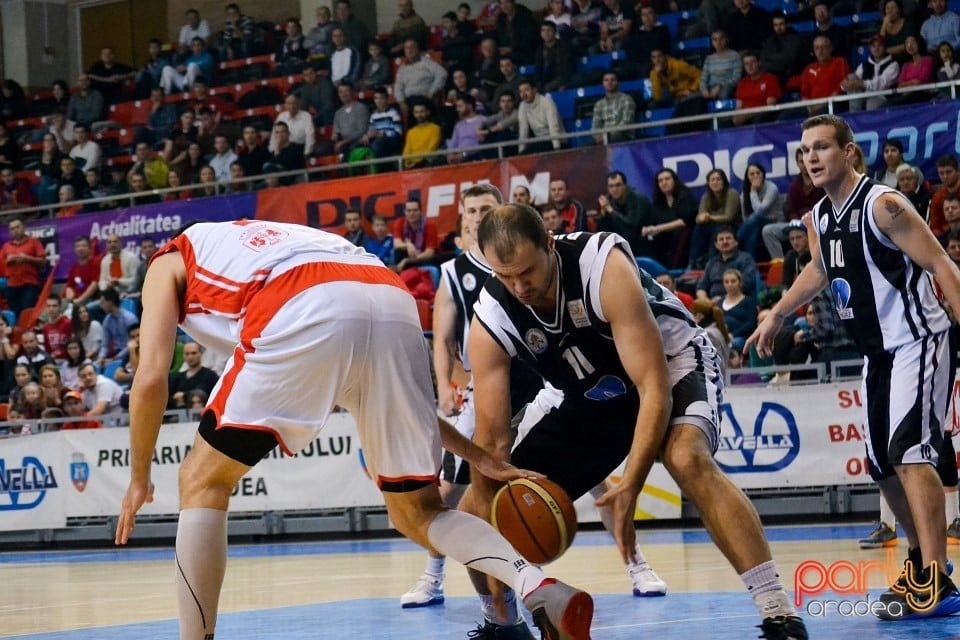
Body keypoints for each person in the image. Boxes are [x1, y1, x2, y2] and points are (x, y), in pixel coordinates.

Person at [114, 219, 595, 640]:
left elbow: (151, 375)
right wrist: (477, 454)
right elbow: (358, 336)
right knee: (419, 512)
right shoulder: (270, 240)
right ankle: (536, 586)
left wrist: (139, 477)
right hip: (387, 295)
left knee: (201, 482)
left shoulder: (168, 258)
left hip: (299, 299)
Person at [463, 204, 807, 640]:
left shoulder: (601, 266)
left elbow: (654, 388)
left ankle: (778, 610)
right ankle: (503, 624)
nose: (519, 286)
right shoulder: (492, 314)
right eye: (505, 276)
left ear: (550, 244)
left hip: (673, 363)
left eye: (527, 271)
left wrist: (631, 485)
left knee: (686, 458)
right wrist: (496, 524)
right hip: (592, 396)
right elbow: (492, 442)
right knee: (476, 508)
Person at [746, 114, 960, 620]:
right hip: (877, 354)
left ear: (849, 153)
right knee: (881, 467)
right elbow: (819, 271)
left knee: (910, 454)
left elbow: (943, 266)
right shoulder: (819, 218)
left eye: (821, 147)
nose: (811, 158)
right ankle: (918, 565)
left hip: (919, 340)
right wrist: (777, 311)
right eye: (804, 151)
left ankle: (940, 578)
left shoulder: (884, 206)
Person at [1, 217, 47, 319]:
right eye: (12, 229)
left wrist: (26, 258)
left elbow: (43, 263)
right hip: (11, 285)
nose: (15, 230)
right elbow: (1, 266)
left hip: (29, 284)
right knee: (14, 315)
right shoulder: (6, 246)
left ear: (23, 228)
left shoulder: (34, 242)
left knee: (27, 314)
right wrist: (7, 261)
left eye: (17, 227)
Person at [737, 163, 784, 258]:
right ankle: (749, 261)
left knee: (756, 217)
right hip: (757, 223)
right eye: (752, 174)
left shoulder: (771, 188)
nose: (755, 176)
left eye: (758, 173)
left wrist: (753, 191)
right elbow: (745, 217)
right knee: (754, 229)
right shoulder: (744, 193)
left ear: (763, 174)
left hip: (775, 221)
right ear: (747, 177)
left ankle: (736, 240)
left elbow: (760, 210)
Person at [590, 71, 636, 145]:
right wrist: (597, 136)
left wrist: (607, 136)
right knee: (585, 148)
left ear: (618, 82)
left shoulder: (627, 99)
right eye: (606, 80)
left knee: (616, 138)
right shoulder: (599, 104)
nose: (609, 82)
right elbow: (595, 125)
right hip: (604, 138)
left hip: (623, 136)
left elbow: (626, 123)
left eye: (613, 80)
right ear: (603, 83)